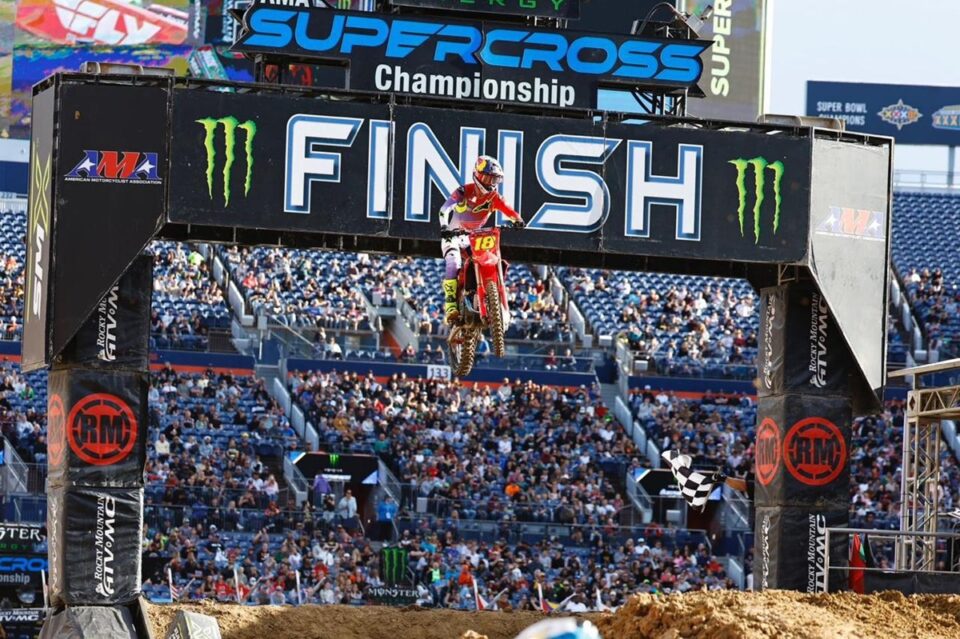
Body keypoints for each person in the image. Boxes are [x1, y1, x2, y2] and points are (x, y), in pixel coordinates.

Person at [438, 155, 524, 324]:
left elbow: (510, 210)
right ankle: (450, 306)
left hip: (473, 237)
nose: (490, 183)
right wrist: (444, 227)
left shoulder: (495, 198)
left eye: (494, 179)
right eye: (487, 178)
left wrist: (518, 220)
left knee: (488, 259)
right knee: (453, 262)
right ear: (477, 175)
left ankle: (487, 296)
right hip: (453, 235)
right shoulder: (463, 191)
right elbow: (444, 209)